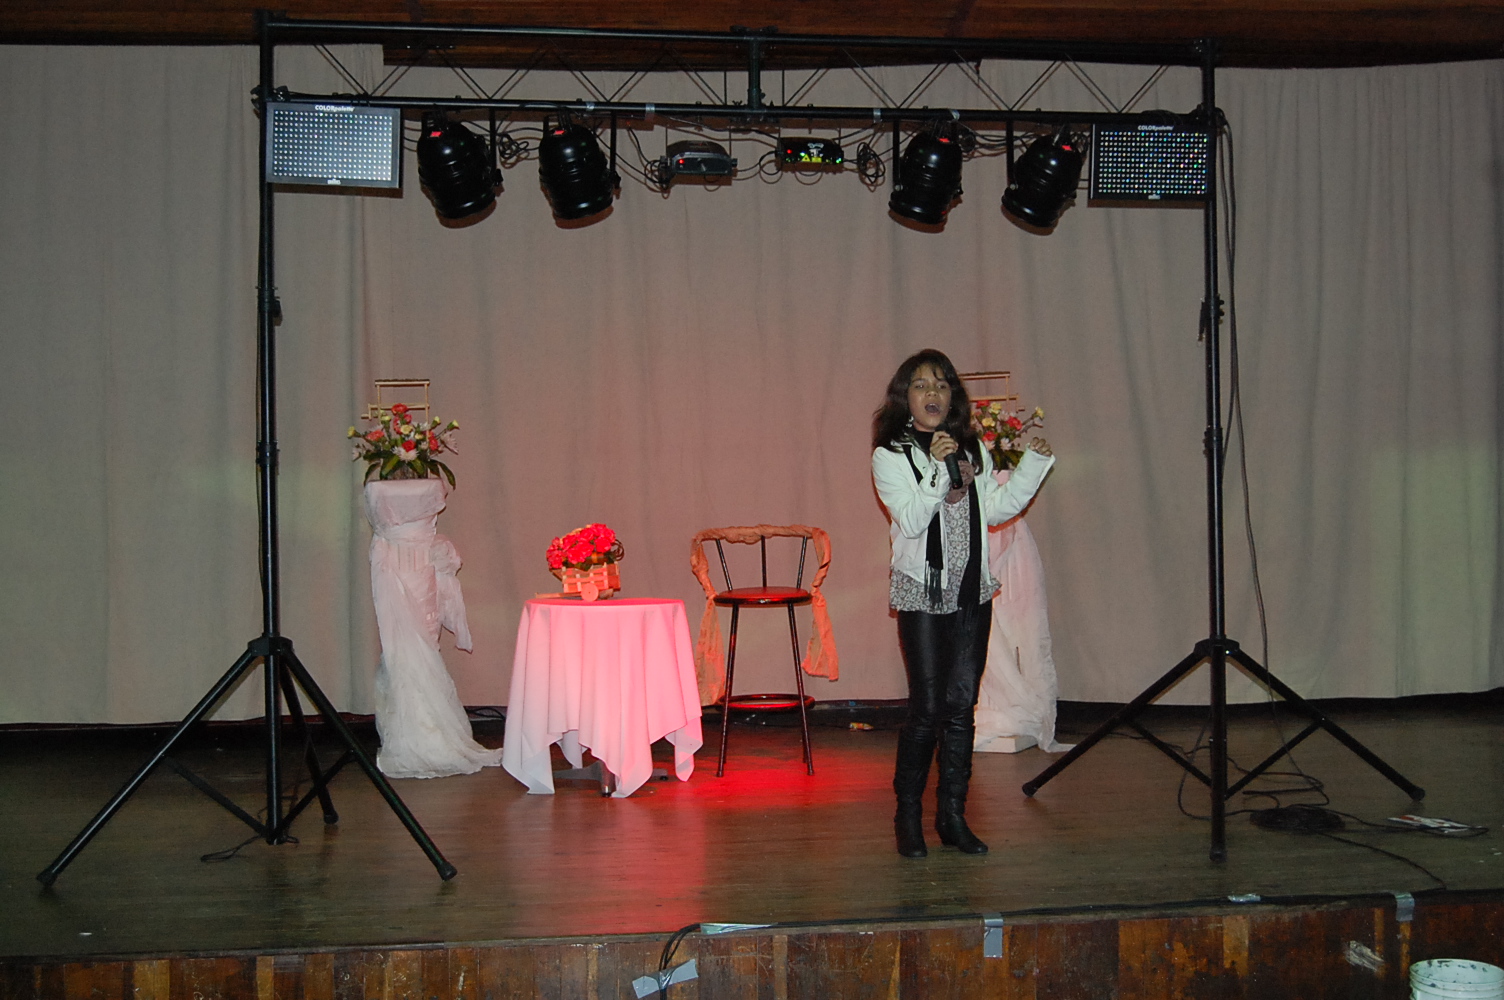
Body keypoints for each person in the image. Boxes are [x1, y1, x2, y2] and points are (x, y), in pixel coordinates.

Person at [871, 349, 1055, 858]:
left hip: (972, 590)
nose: (932, 393)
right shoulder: (891, 455)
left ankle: (952, 816)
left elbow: (995, 510)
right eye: (921, 385)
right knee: (927, 708)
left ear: (952, 396)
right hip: (923, 592)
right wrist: (936, 468)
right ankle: (908, 817)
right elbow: (911, 520)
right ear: (905, 398)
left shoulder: (971, 447)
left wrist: (1032, 466)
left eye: (941, 384)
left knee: (960, 707)